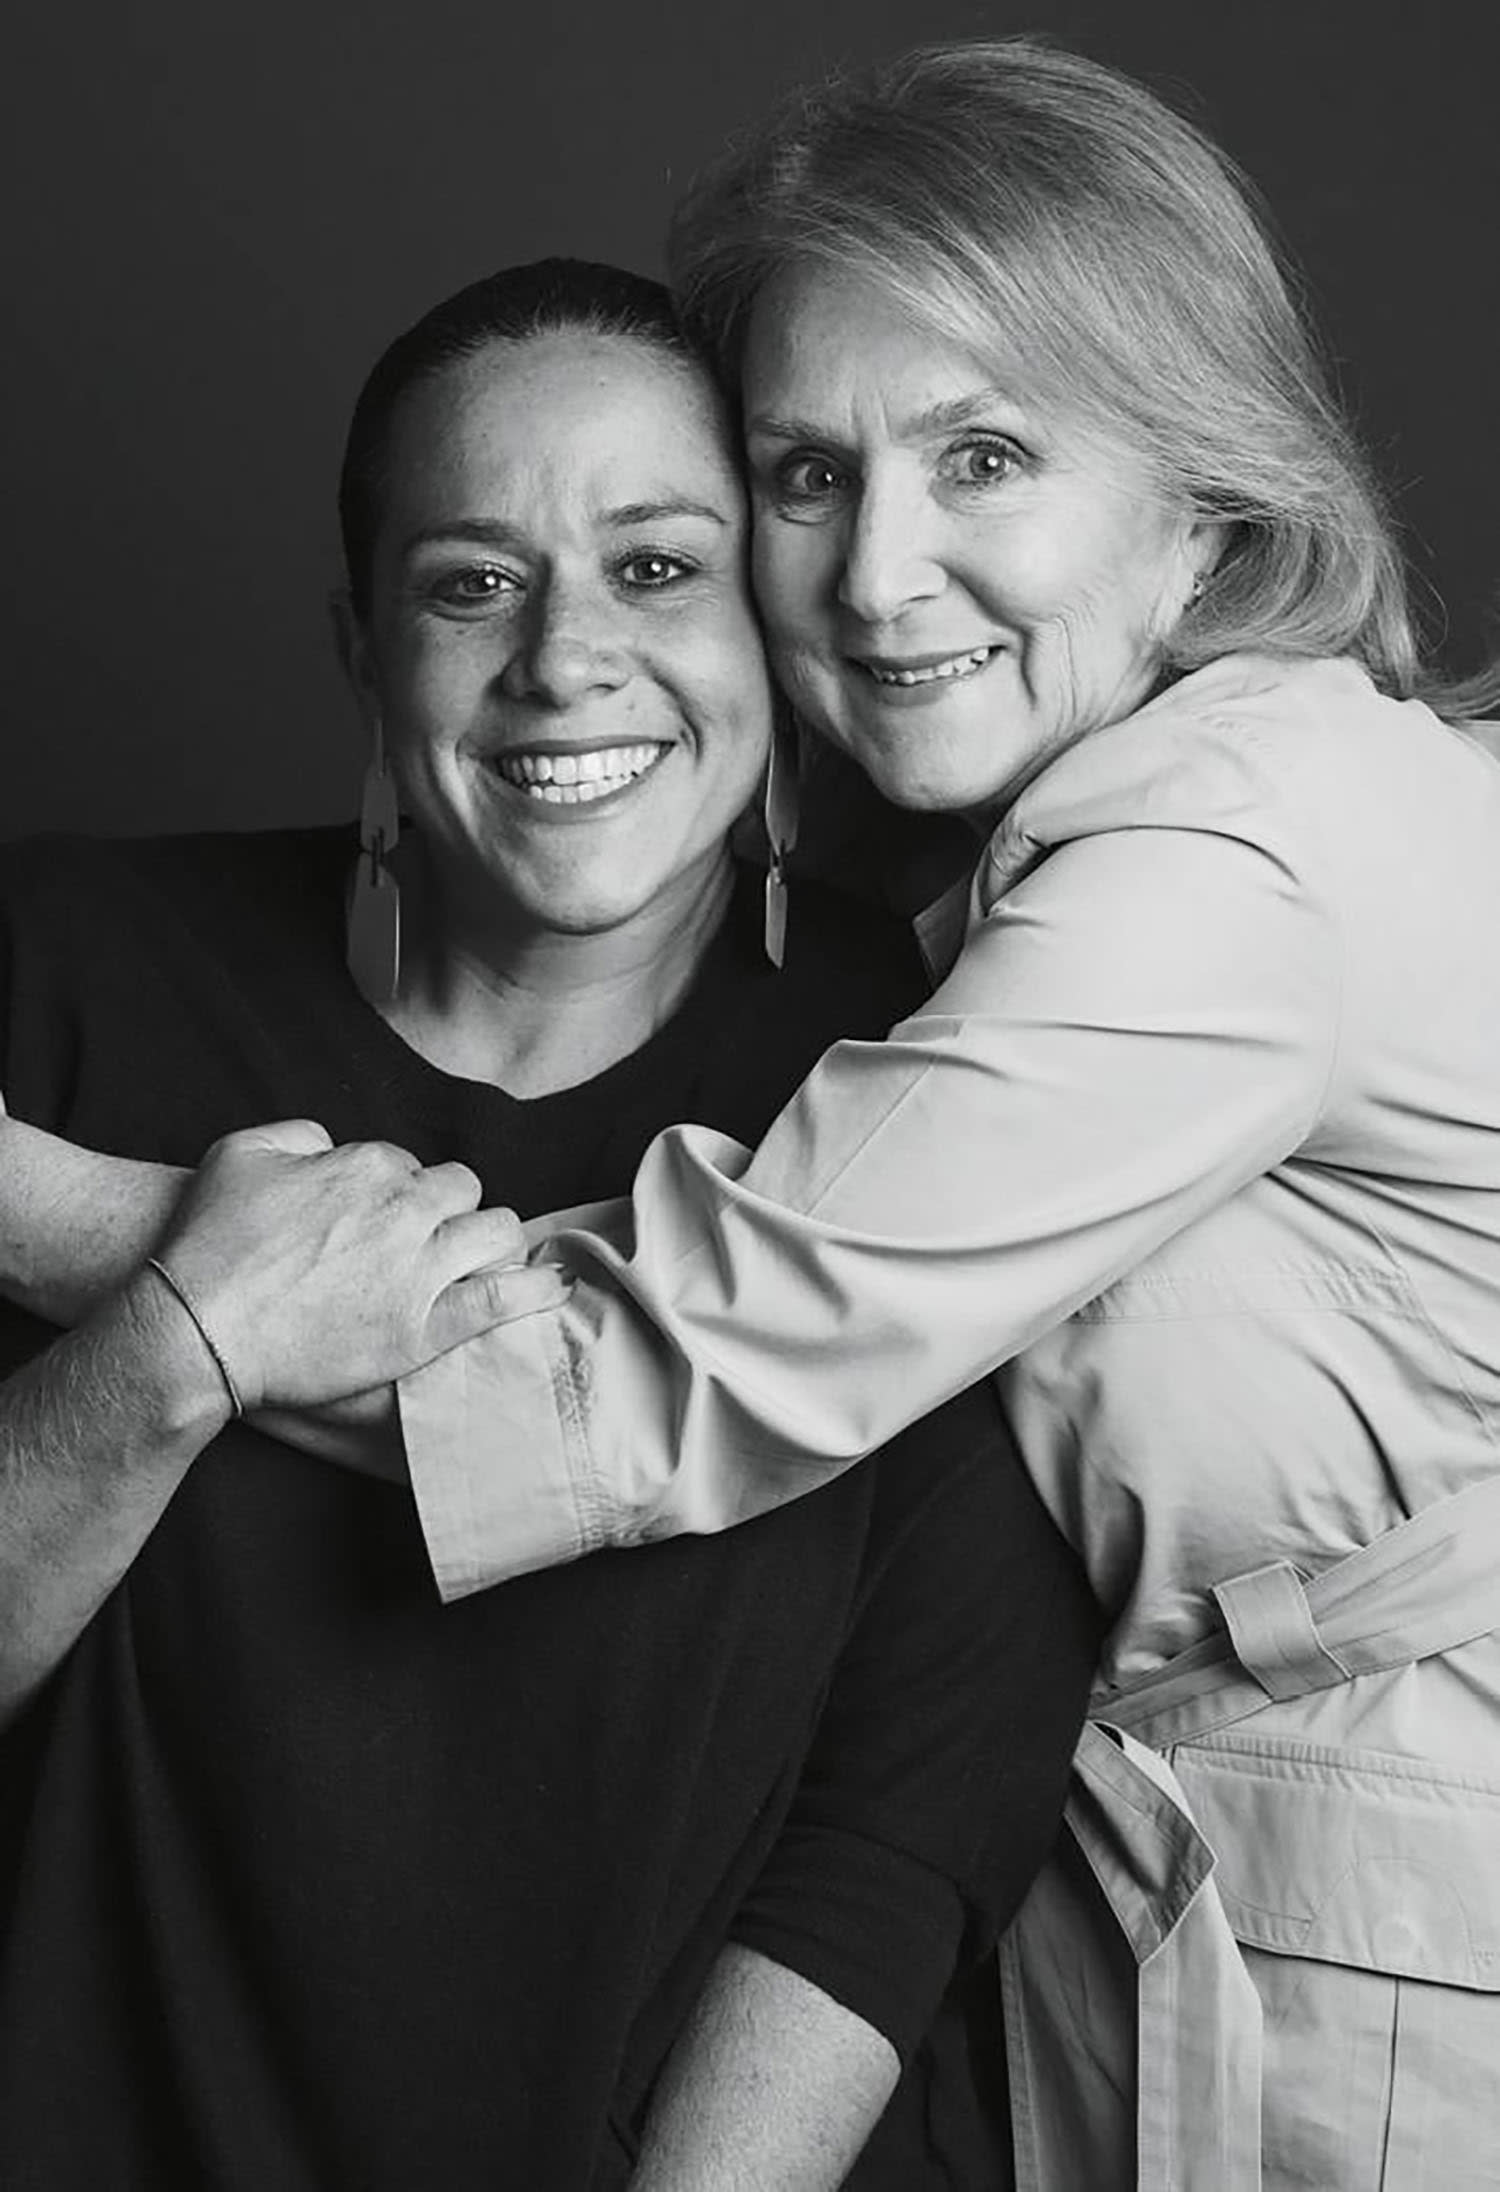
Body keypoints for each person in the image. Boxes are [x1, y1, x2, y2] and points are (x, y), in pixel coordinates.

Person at [298, 41, 1498, 2192]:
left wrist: (94, 1231)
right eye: (808, 472)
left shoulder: (1239, 846)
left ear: (1205, 494)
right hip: (1157, 1922)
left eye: (986, 456)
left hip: (1395, 1975)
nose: (875, 576)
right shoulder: (1001, 868)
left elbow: (661, 1368)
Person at [0, 259, 1099, 2190]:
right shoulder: (67, 976)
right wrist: (175, 1339)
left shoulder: (937, 1083)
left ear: (768, 617)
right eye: (471, 582)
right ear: (364, 647)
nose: (565, 659)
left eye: (659, 567)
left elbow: (892, 1848)